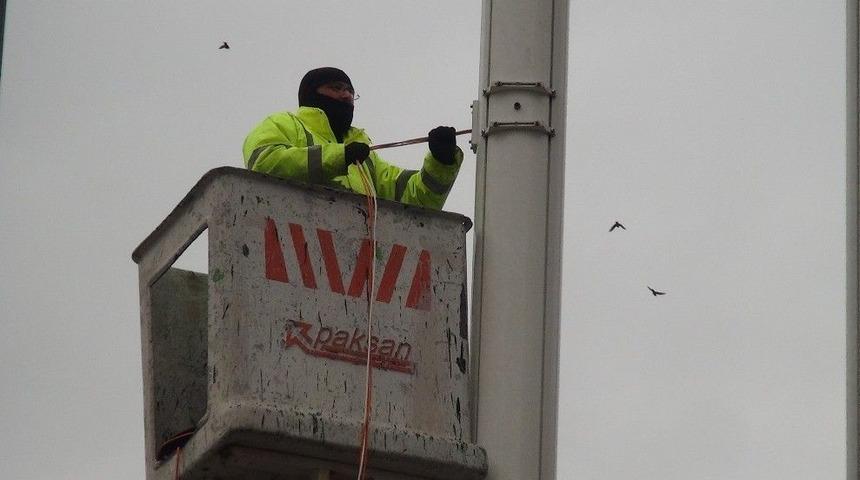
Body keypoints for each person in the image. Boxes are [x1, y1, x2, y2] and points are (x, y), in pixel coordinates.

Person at [243, 67, 463, 210]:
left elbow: (412, 198)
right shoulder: (284, 123)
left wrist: (441, 162)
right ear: (311, 94)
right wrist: (339, 156)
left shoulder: (364, 155)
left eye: (350, 91)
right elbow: (264, 162)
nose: (346, 95)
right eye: (336, 88)